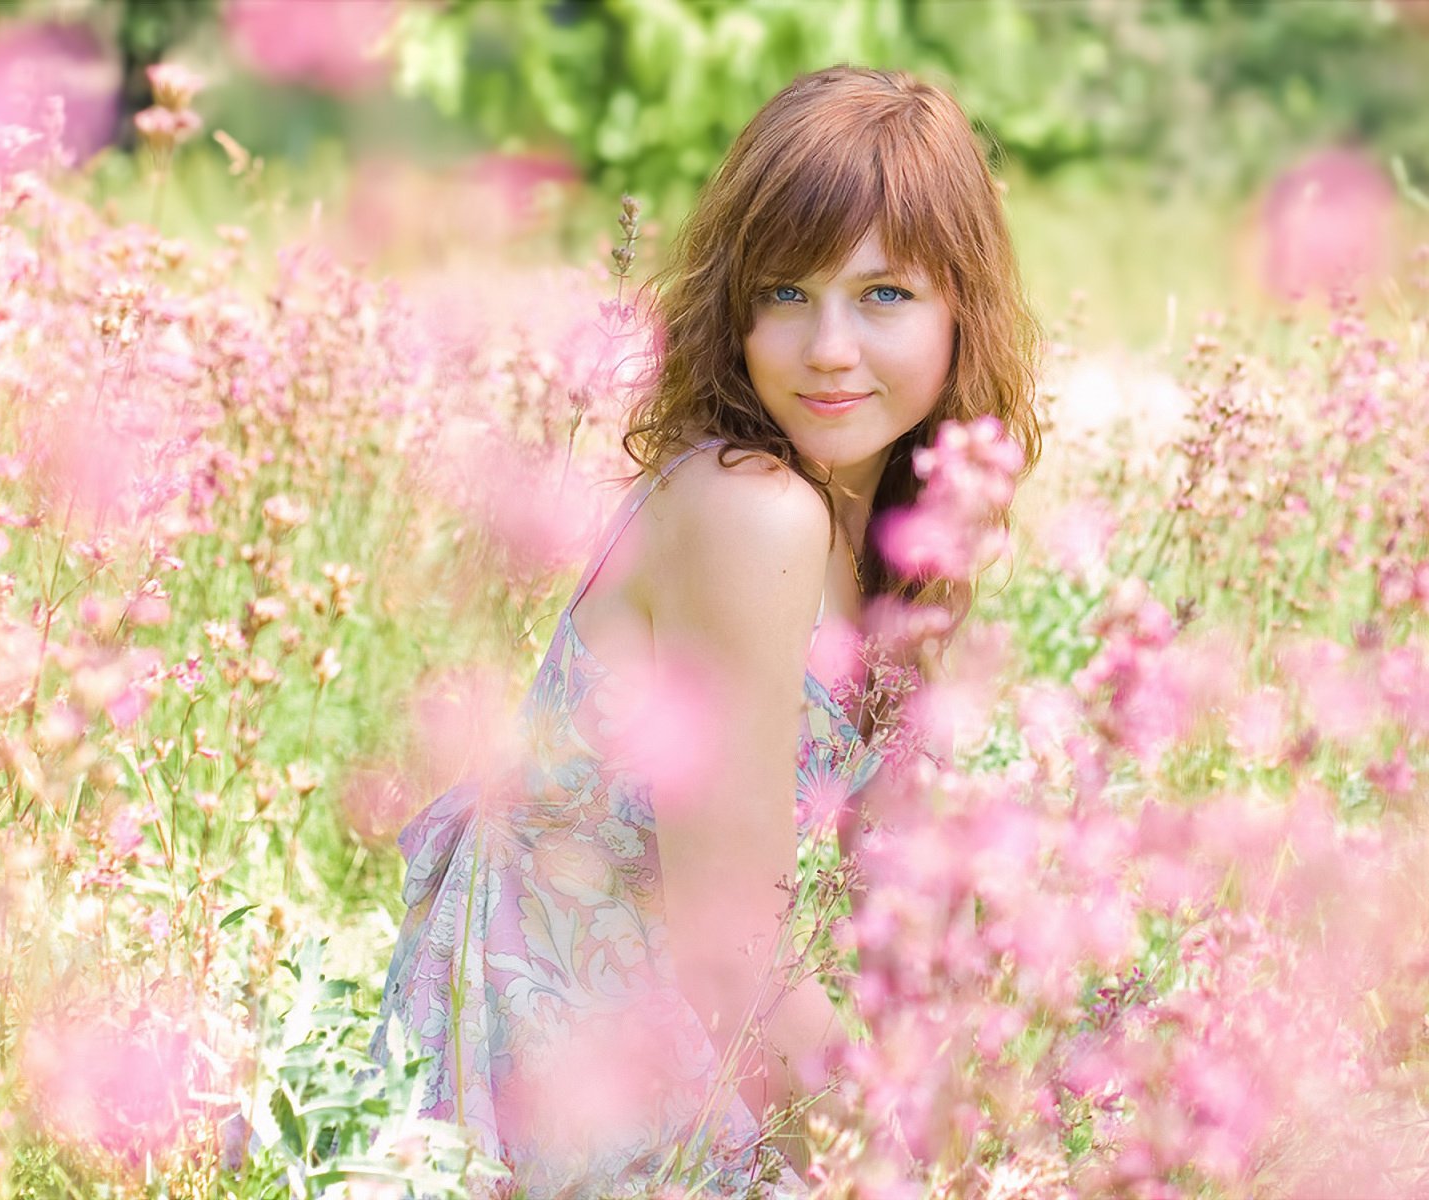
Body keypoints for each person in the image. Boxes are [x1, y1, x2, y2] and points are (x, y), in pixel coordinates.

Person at [371, 64, 1041, 1198]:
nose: (829, 346)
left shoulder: (904, 541)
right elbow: (731, 956)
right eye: (787, 293)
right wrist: (897, 1172)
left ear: (962, 307)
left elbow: (894, 912)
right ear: (735, 306)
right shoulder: (748, 507)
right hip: (562, 1086)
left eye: (884, 295)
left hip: (695, 1058)